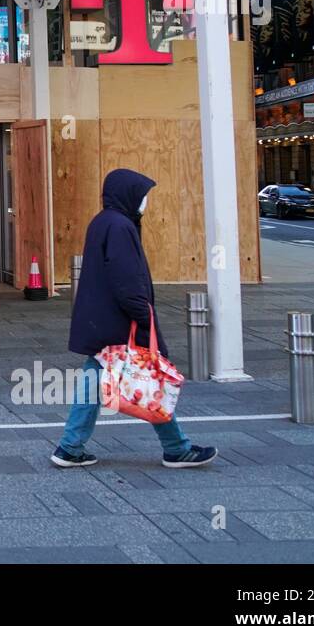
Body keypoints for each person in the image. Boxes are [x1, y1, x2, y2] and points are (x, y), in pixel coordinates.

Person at [53, 168, 217, 469]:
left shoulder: (103, 221)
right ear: (128, 195)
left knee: (95, 378)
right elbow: (126, 280)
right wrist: (145, 317)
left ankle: (70, 447)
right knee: (152, 378)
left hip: (101, 319)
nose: (145, 202)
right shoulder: (120, 226)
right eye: (143, 196)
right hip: (119, 322)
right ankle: (176, 448)